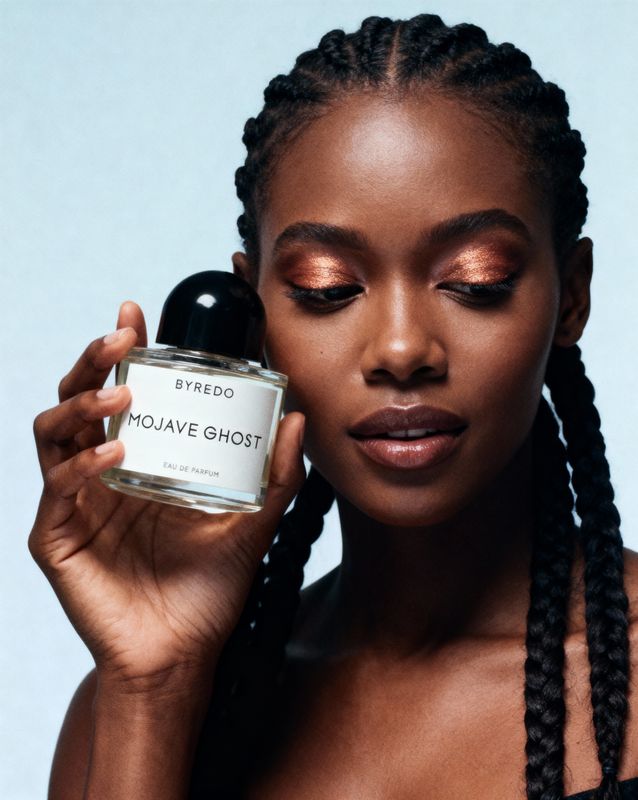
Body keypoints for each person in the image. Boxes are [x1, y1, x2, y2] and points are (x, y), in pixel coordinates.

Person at [28, 12, 638, 800]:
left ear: (572, 296)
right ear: (258, 321)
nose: (400, 349)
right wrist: (155, 686)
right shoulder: (134, 707)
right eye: (327, 288)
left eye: (476, 278)